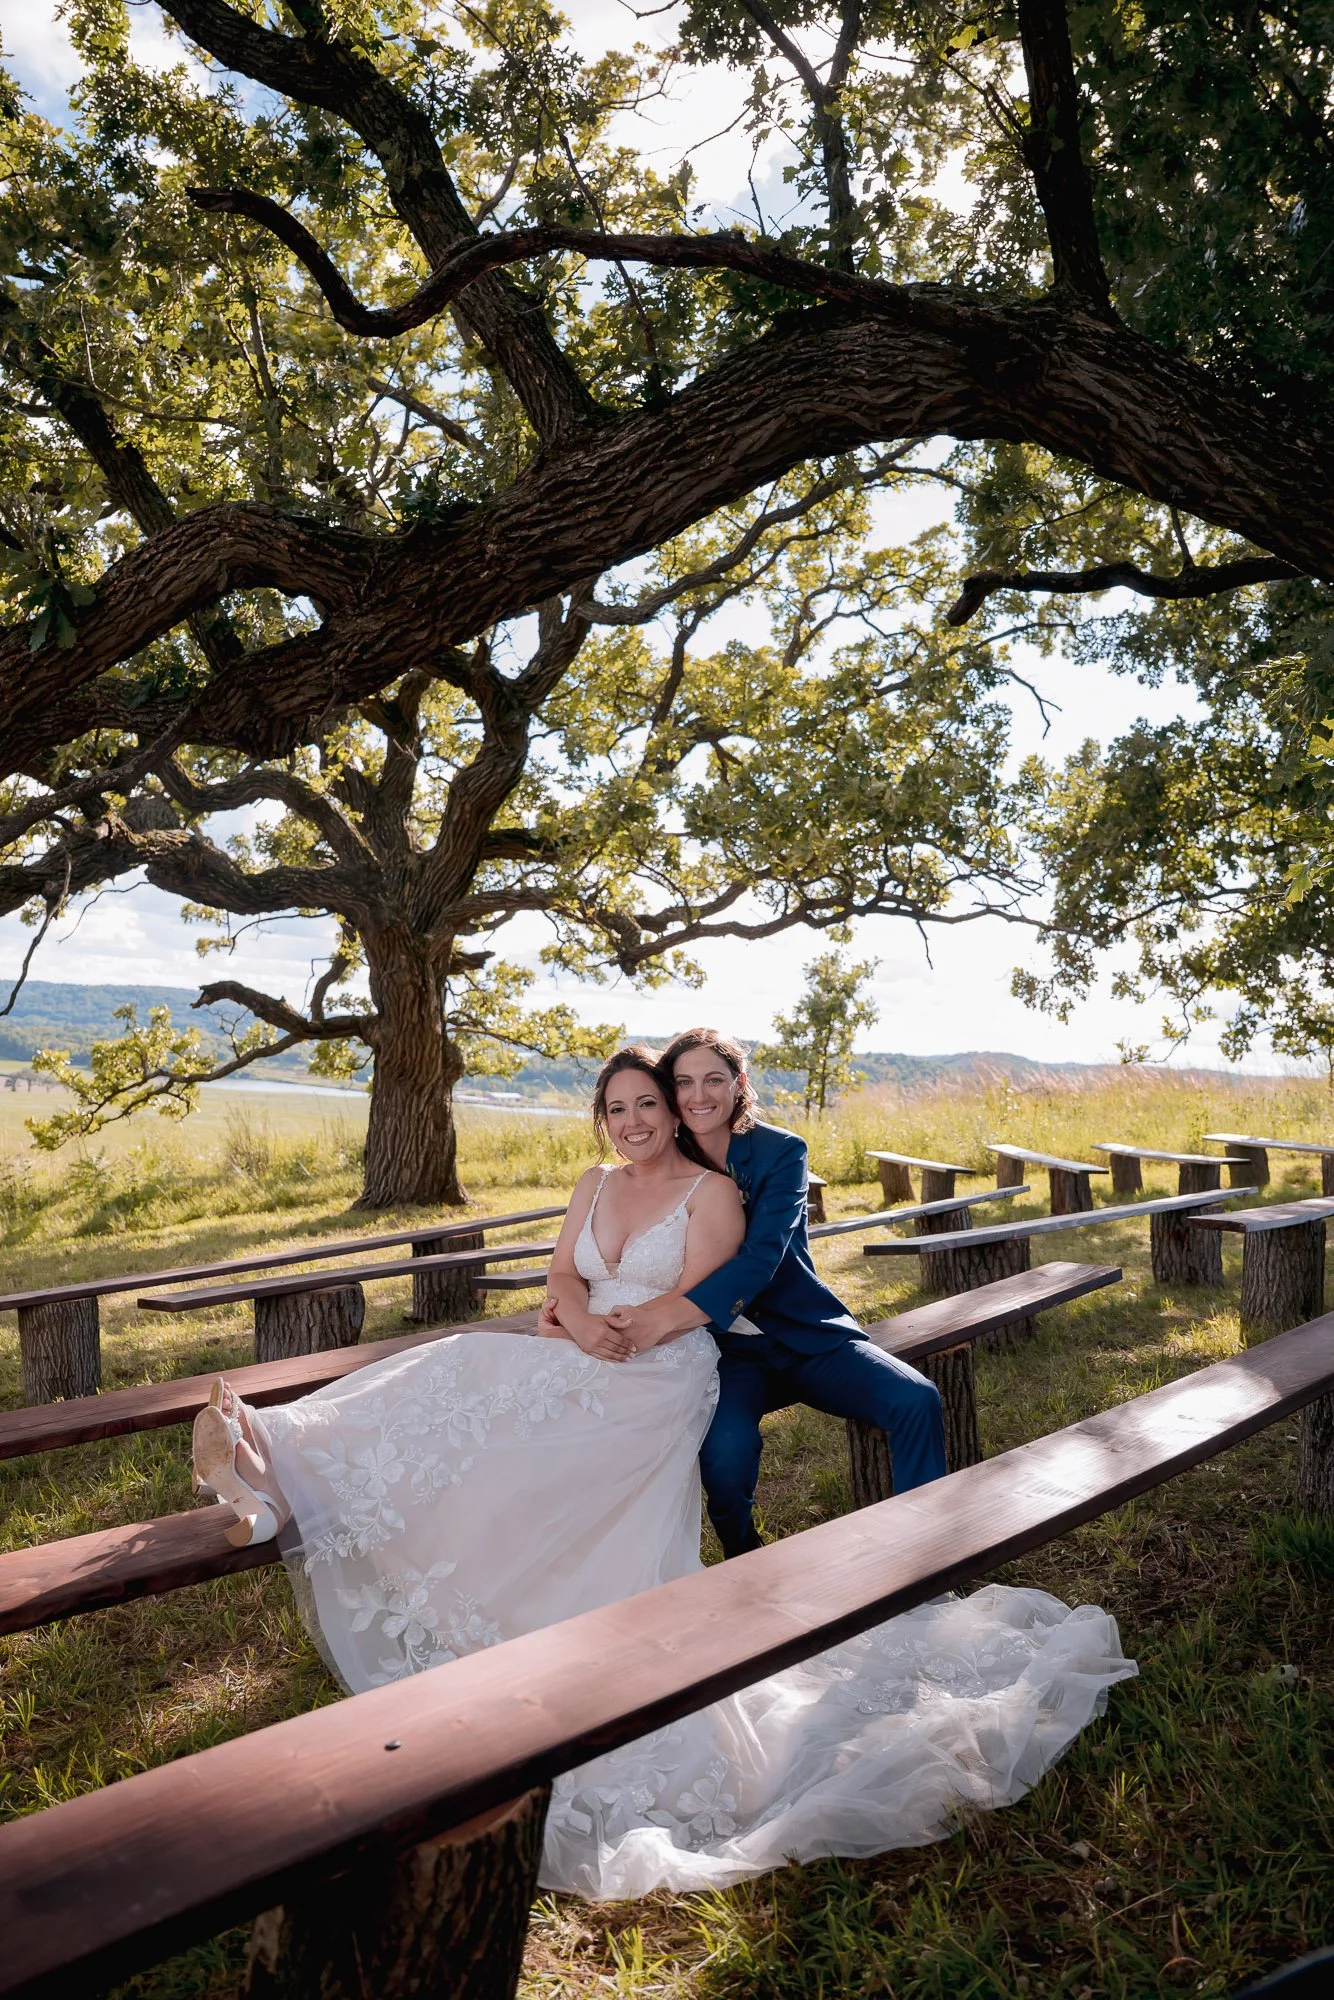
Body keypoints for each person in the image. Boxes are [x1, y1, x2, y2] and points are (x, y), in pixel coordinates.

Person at [191, 1044, 1134, 1898]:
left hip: (679, 1358)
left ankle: (912, 1560)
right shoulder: (595, 1179)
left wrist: (635, 1327)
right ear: (605, 1115)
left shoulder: (735, 1179)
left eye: (662, 1098)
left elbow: (731, 1280)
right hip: (600, 1349)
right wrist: (574, 1311)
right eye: (625, 1104)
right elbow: (560, 1273)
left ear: (702, 1103)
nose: (644, 1116)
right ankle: (277, 1458)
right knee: (462, 1365)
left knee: (897, 1403)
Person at [593, 1027, 948, 1556]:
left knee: (916, 1398)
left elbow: (763, 1256)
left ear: (739, 1083)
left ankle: (925, 1556)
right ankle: (746, 1559)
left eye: (714, 1079)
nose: (699, 1095)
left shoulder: (781, 1152)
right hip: (723, 1351)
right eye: (684, 1083)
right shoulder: (666, 1157)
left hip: (803, 1334)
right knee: (725, 1457)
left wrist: (663, 1318)